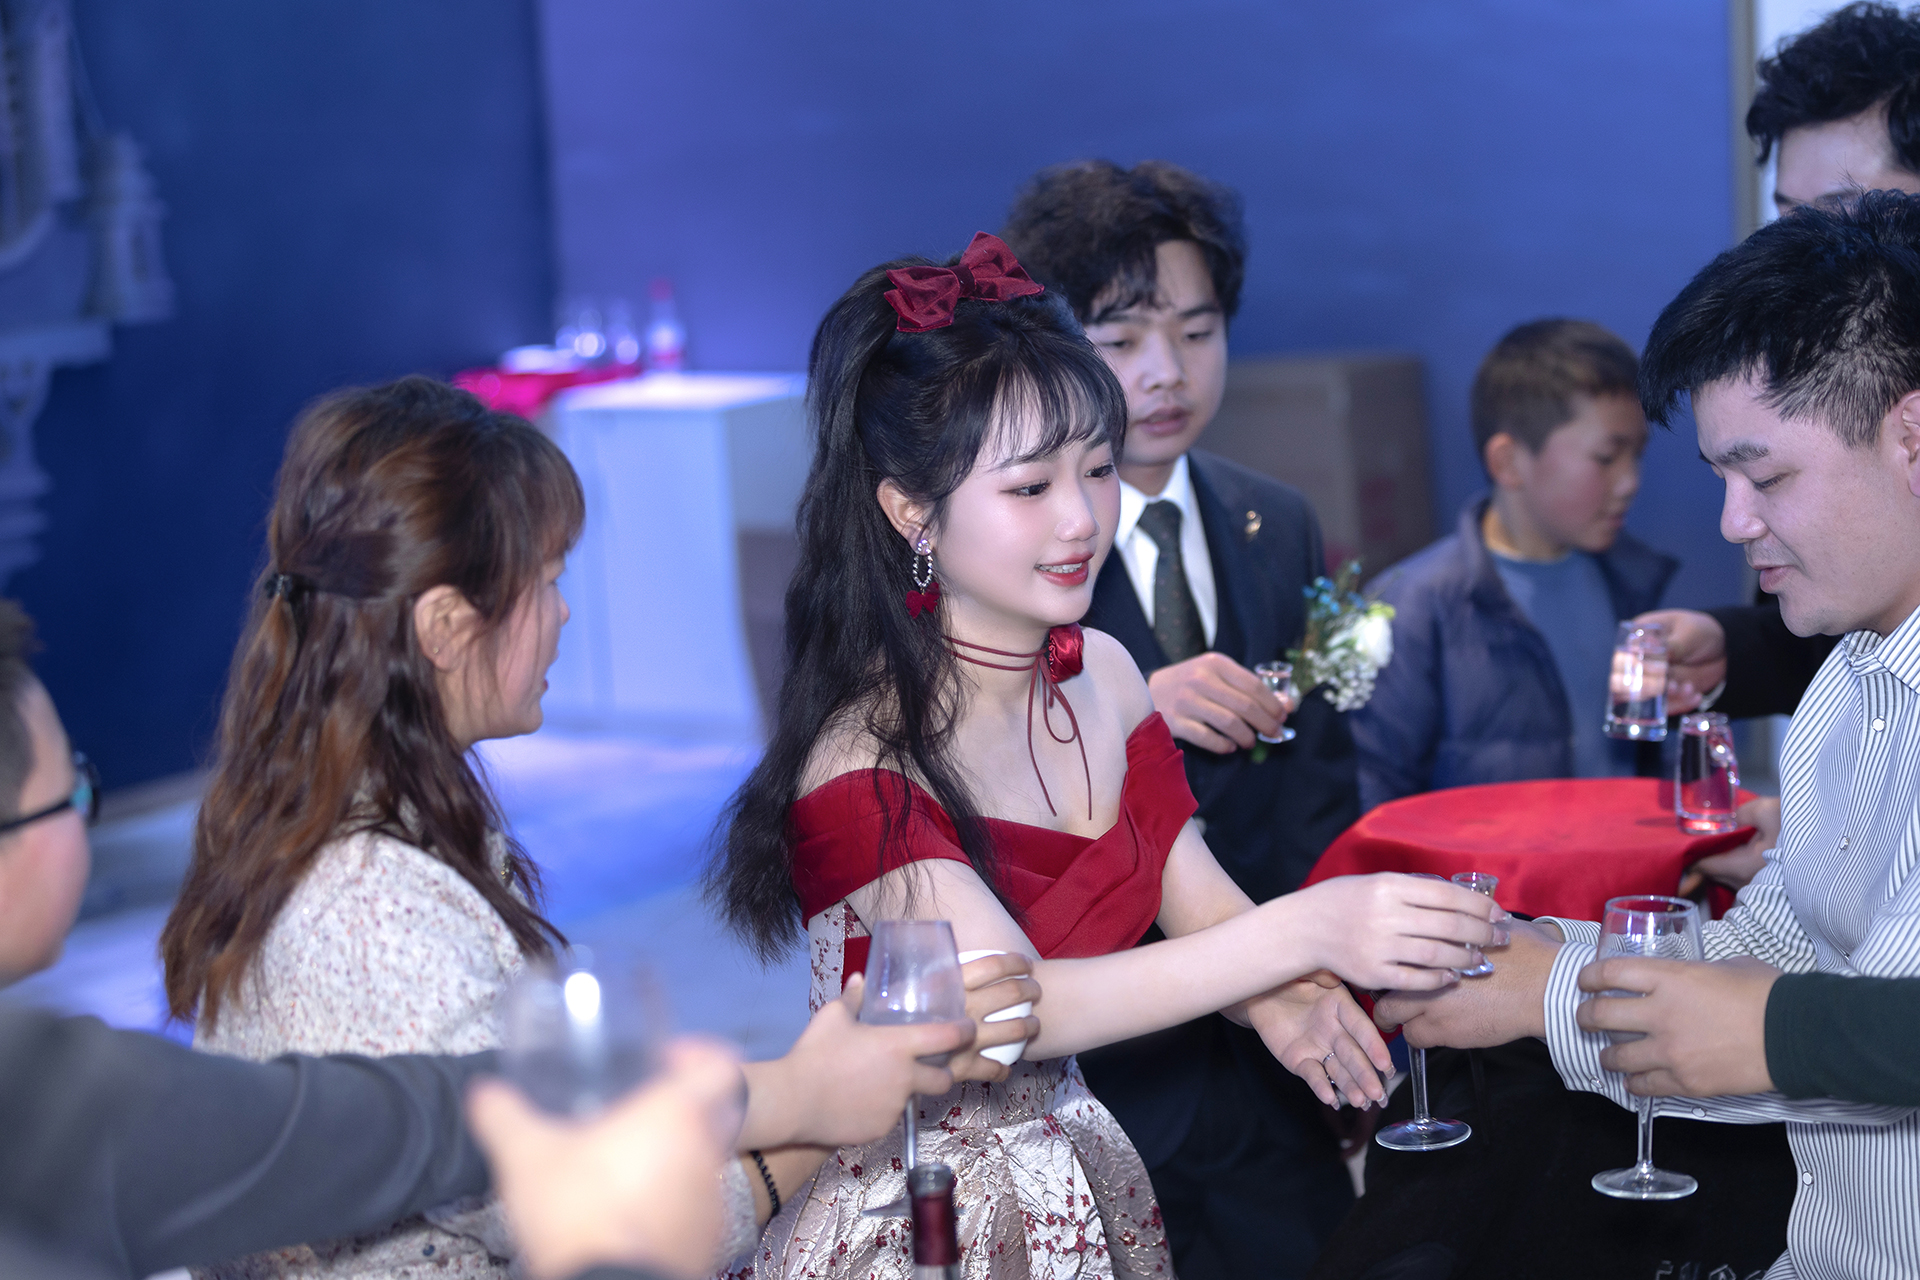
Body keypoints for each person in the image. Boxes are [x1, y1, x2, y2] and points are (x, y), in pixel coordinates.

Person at [709, 231, 1502, 1280]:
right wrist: (1309, 928)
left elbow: (1195, 895)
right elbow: (1018, 1008)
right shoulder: (864, 757)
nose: (1082, 517)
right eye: (1029, 487)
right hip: (928, 1213)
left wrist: (1280, 994)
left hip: (1080, 1175)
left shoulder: (1108, 671)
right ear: (911, 512)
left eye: (1097, 469)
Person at [1376, 192, 1920, 1280]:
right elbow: (1773, 959)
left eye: (1767, 476)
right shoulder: (1846, 684)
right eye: (1722, 478)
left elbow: (1855, 1036)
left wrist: (1545, 995)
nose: (1733, 523)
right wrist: (1532, 952)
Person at [1000, 158, 1361, 1280]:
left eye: (1198, 332)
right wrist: (1121, 710)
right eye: (1122, 339)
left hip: (1272, 1055)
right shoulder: (1013, 549)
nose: (1166, 372)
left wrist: (1326, 979)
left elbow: (1316, 785)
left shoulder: (1276, 519)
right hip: (1099, 1069)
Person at [1351, 320, 1675, 810]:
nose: (1630, 481)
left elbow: (1657, 754)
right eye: (1607, 457)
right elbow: (1373, 793)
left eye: (1638, 455)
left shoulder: (1632, 581)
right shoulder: (1414, 608)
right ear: (1508, 463)